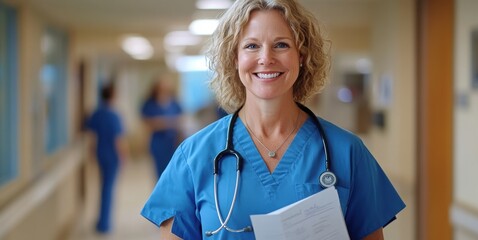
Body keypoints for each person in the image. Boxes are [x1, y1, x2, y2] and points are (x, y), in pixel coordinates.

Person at [141, 0, 405, 239]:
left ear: (301, 57)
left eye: (281, 45)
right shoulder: (194, 155)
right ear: (235, 58)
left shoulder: (347, 152)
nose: (266, 58)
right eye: (251, 46)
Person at [85, 83, 127, 233]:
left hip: (100, 154)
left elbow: (91, 136)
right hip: (112, 156)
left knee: (103, 187)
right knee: (108, 189)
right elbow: (118, 140)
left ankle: (101, 221)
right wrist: (123, 157)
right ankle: (104, 224)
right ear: (113, 95)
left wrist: (92, 154)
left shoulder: (96, 113)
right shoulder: (114, 115)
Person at [141, 75, 184, 179]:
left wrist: (161, 122)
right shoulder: (150, 103)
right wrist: (170, 122)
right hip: (158, 143)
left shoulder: (174, 102)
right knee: (160, 174)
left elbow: (181, 120)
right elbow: (148, 123)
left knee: (173, 172)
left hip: (173, 142)